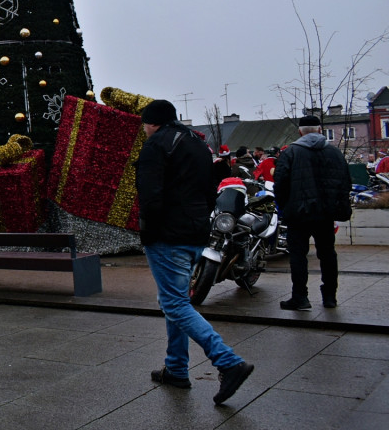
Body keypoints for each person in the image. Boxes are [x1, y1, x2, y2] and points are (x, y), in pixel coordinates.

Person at [136, 99, 254, 405]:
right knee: (176, 299)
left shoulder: (156, 146)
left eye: (145, 124)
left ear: (153, 122)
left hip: (167, 234)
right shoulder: (198, 144)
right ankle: (176, 368)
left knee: (174, 303)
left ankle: (228, 361)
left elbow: (150, 196)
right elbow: (209, 190)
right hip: (195, 231)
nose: (144, 129)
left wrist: (148, 233)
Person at [274, 115, 352, 310]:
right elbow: (345, 183)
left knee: (298, 256)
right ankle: (330, 296)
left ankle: (300, 297)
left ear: (300, 132)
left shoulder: (290, 152)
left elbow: (280, 184)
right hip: (325, 213)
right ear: (320, 130)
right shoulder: (334, 153)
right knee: (327, 254)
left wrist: (285, 206)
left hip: (298, 214)